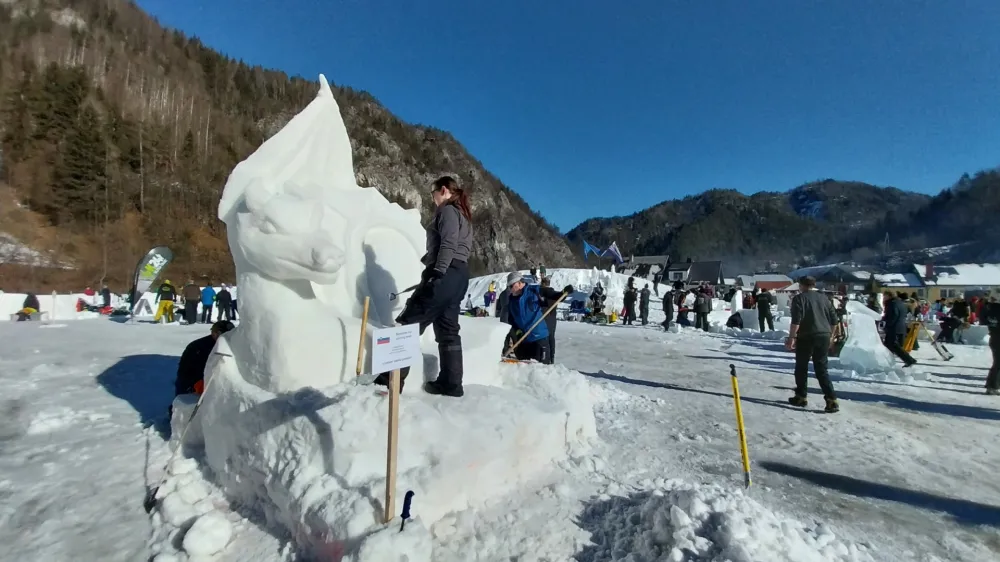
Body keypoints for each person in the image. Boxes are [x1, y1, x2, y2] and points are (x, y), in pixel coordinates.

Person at [375, 176, 473, 398]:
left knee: (408, 324)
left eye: (433, 193)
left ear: (444, 190)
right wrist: (430, 258)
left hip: (445, 274)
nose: (432, 198)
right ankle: (451, 383)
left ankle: (387, 383)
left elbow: (448, 243)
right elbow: (455, 246)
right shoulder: (463, 215)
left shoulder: (448, 211)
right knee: (448, 330)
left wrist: (437, 271)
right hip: (459, 276)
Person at [786, 276, 840, 413]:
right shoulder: (824, 298)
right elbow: (834, 321)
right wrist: (831, 337)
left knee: (801, 367)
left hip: (807, 336)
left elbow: (796, 321)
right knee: (821, 369)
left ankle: (801, 396)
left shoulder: (799, 299)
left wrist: (791, 338)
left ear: (801, 285)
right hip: (824, 335)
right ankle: (831, 400)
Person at [504, 272, 573, 362]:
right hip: (524, 341)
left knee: (541, 370)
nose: (510, 289)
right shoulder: (512, 301)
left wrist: (564, 292)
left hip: (539, 338)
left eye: (511, 286)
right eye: (508, 287)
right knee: (525, 370)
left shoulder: (534, 291)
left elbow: (555, 296)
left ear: (520, 283)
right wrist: (517, 332)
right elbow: (511, 320)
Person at [171, 320, 236, 416]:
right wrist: (196, 384)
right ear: (215, 333)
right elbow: (186, 371)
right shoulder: (199, 348)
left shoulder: (232, 344)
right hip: (193, 382)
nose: (228, 338)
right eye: (225, 335)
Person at [883, 291, 917, 367]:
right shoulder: (900, 303)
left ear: (889, 296)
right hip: (901, 326)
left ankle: (909, 360)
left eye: (884, 296)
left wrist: (887, 324)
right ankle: (888, 361)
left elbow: (893, 315)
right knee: (889, 345)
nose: (884, 298)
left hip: (894, 327)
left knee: (893, 345)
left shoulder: (891, 304)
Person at [539, 277, 561, 364]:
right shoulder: (552, 292)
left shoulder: (544, 292)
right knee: (551, 338)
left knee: (545, 338)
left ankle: (546, 359)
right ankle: (551, 359)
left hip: (545, 318)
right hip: (552, 318)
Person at [983, 298, 1000, 395]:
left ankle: (992, 385)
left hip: (993, 338)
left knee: (997, 363)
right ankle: (992, 386)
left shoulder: (990, 311)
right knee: (998, 364)